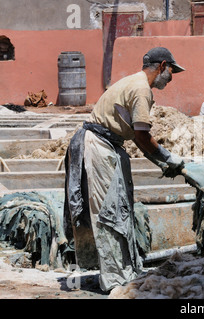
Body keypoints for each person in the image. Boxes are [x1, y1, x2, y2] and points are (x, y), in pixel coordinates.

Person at [63, 47, 185, 292]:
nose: (172, 77)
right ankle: (116, 281)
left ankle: (119, 273)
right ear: (162, 66)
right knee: (110, 213)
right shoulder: (142, 90)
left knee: (114, 209)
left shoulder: (132, 81)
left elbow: (137, 136)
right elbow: (141, 137)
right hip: (98, 146)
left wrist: (163, 162)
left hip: (104, 144)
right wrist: (168, 159)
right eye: (172, 71)